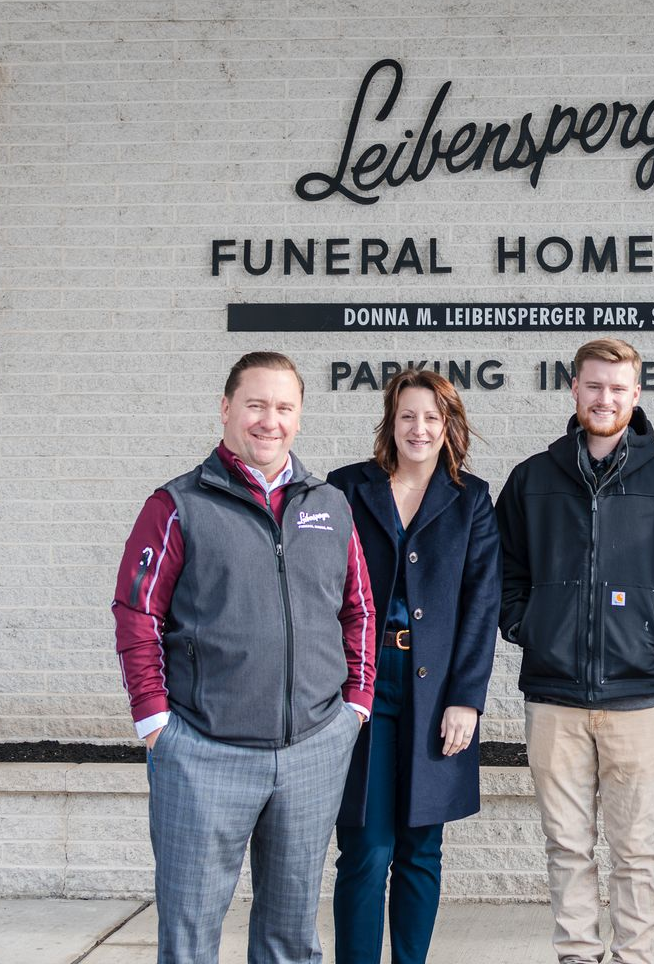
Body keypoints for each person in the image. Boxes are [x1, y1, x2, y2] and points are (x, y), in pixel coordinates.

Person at [111, 351, 376, 964]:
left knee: (290, 939)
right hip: (203, 750)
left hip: (312, 747)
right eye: (256, 405)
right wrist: (154, 719)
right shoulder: (177, 505)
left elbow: (358, 607)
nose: (269, 421)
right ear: (227, 408)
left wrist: (355, 706)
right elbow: (137, 612)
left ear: (300, 417)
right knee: (190, 938)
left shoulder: (329, 506)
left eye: (284, 407)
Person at [495, 337, 654, 964]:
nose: (605, 398)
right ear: (574, 390)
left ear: (636, 395)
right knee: (566, 846)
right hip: (554, 696)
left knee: (635, 849)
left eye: (618, 388)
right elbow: (505, 569)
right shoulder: (533, 479)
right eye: (594, 386)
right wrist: (529, 624)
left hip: (638, 694)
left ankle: (634, 957)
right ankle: (578, 955)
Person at [325, 369, 501, 964]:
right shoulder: (347, 489)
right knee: (366, 847)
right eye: (407, 416)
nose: (418, 428)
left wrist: (467, 699)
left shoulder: (472, 498)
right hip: (365, 687)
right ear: (390, 421)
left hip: (436, 693)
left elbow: (482, 604)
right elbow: (322, 589)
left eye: (431, 417)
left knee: (422, 846)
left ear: (449, 425)